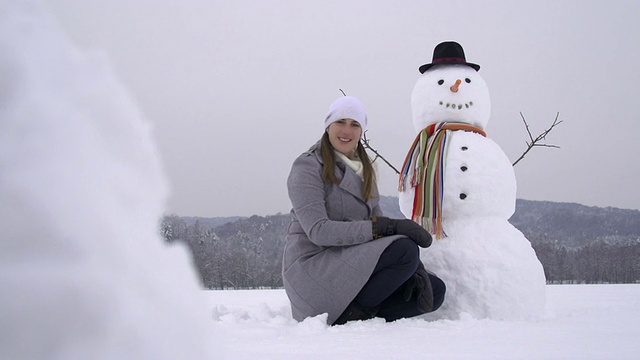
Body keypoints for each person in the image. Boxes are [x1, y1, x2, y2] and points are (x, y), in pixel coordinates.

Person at [282, 95, 446, 325]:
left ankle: (363, 312)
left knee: (433, 290)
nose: (346, 130)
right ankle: (353, 314)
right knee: (404, 251)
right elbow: (319, 231)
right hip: (315, 267)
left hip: (350, 262)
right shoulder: (307, 166)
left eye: (355, 124)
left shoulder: (364, 169)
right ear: (328, 126)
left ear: (362, 132)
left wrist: (416, 268)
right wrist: (392, 229)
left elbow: (376, 221)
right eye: (340, 122)